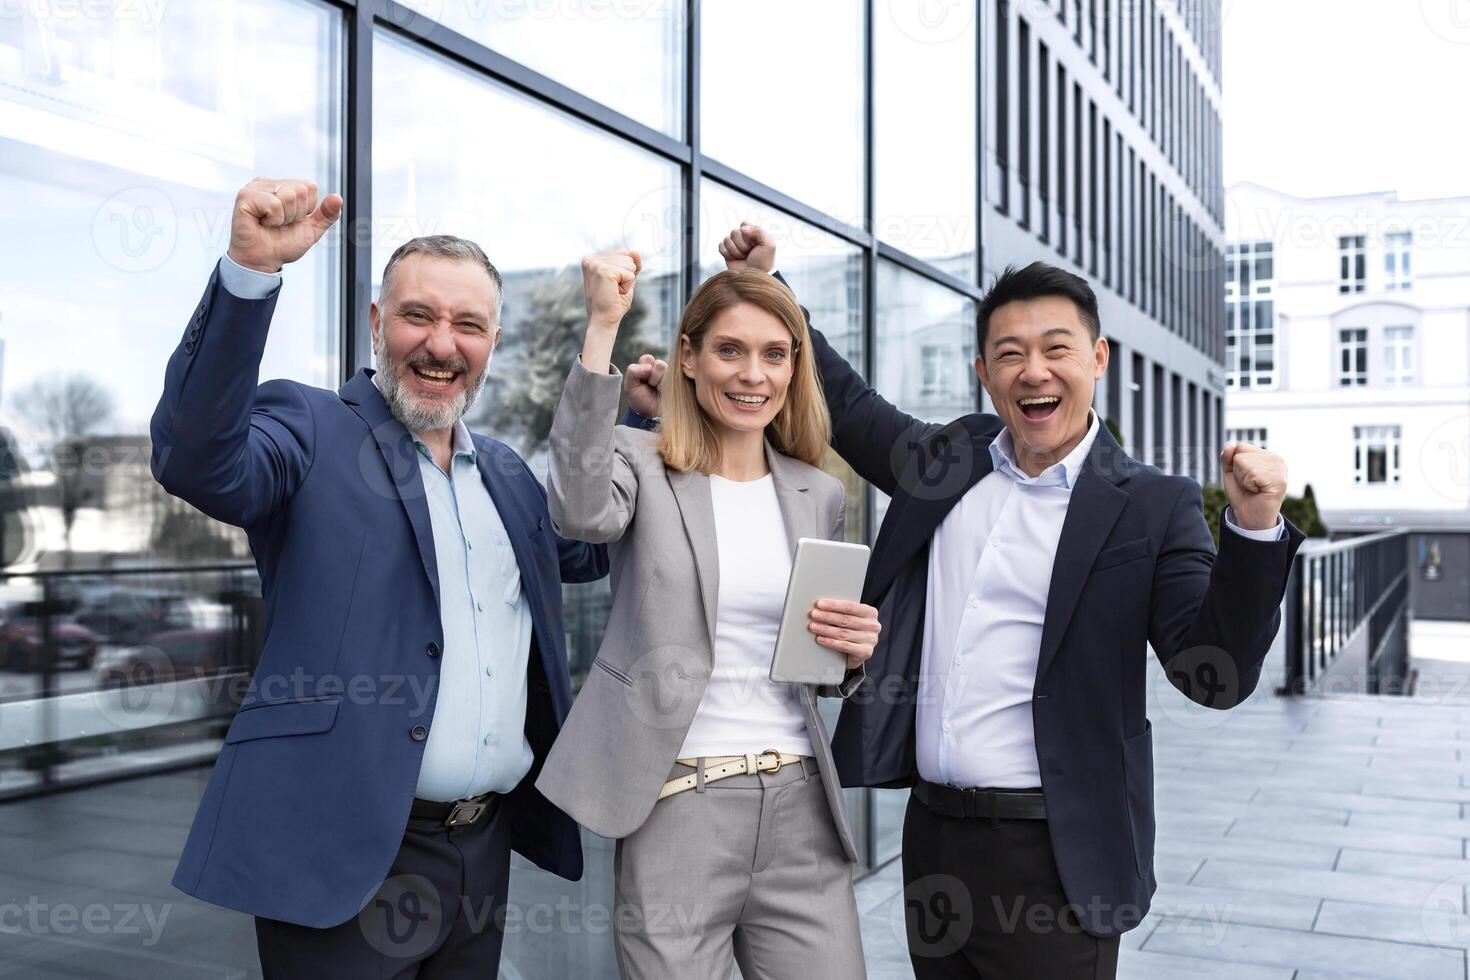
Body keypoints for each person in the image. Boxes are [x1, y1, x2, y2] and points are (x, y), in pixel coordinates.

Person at [627, 224, 1306, 979]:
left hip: (1058, 857)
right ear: (985, 370)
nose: (1033, 371)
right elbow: (847, 406)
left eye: (1056, 348)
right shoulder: (947, 463)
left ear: (1098, 359)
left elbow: (1212, 675)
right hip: (936, 844)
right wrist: (772, 291)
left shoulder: (1151, 505)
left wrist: (1252, 530)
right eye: (1009, 353)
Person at [152, 178, 608, 978]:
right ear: (375, 324)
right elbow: (198, 459)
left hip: (481, 852)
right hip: (340, 855)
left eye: (469, 325)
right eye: (418, 316)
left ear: (492, 343)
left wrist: (630, 419)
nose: (442, 344)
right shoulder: (310, 427)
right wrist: (249, 274)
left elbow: (591, 546)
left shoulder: (507, 475)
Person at [535, 242, 880, 979]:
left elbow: (810, 666)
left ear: (794, 368)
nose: (754, 375)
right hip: (678, 804)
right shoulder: (640, 461)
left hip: (801, 808)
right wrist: (602, 328)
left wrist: (849, 652)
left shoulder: (816, 492)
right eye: (729, 350)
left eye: (774, 355)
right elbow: (576, 509)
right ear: (687, 357)